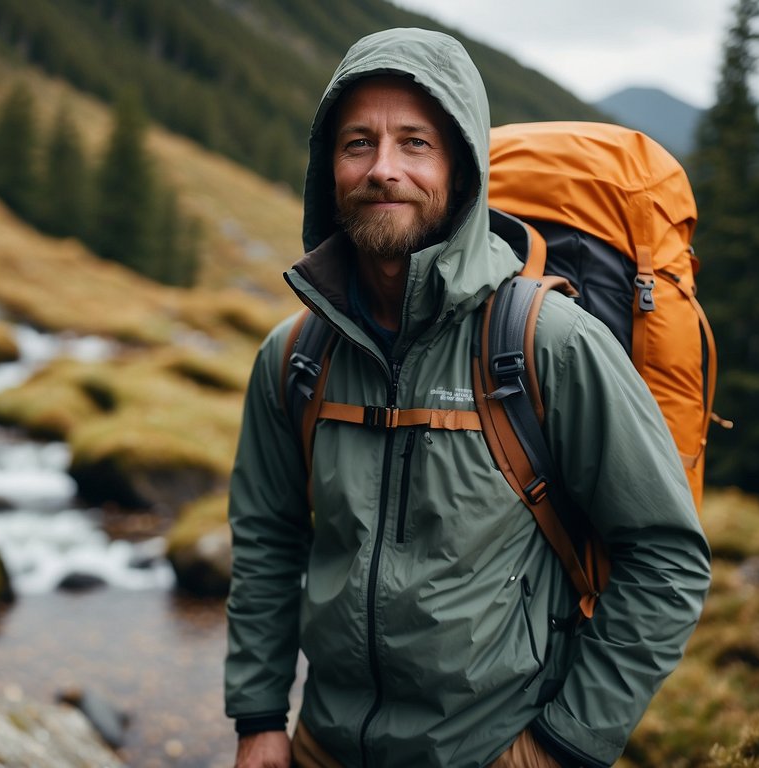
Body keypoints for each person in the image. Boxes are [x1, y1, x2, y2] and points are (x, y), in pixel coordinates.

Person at [224, 28, 711, 768]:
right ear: (328, 169)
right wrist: (259, 715)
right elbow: (268, 539)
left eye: (415, 143)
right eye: (358, 143)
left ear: (462, 168)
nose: (383, 169)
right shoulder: (294, 356)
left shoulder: (550, 344)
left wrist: (563, 744)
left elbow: (667, 558)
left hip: (494, 751)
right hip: (320, 745)